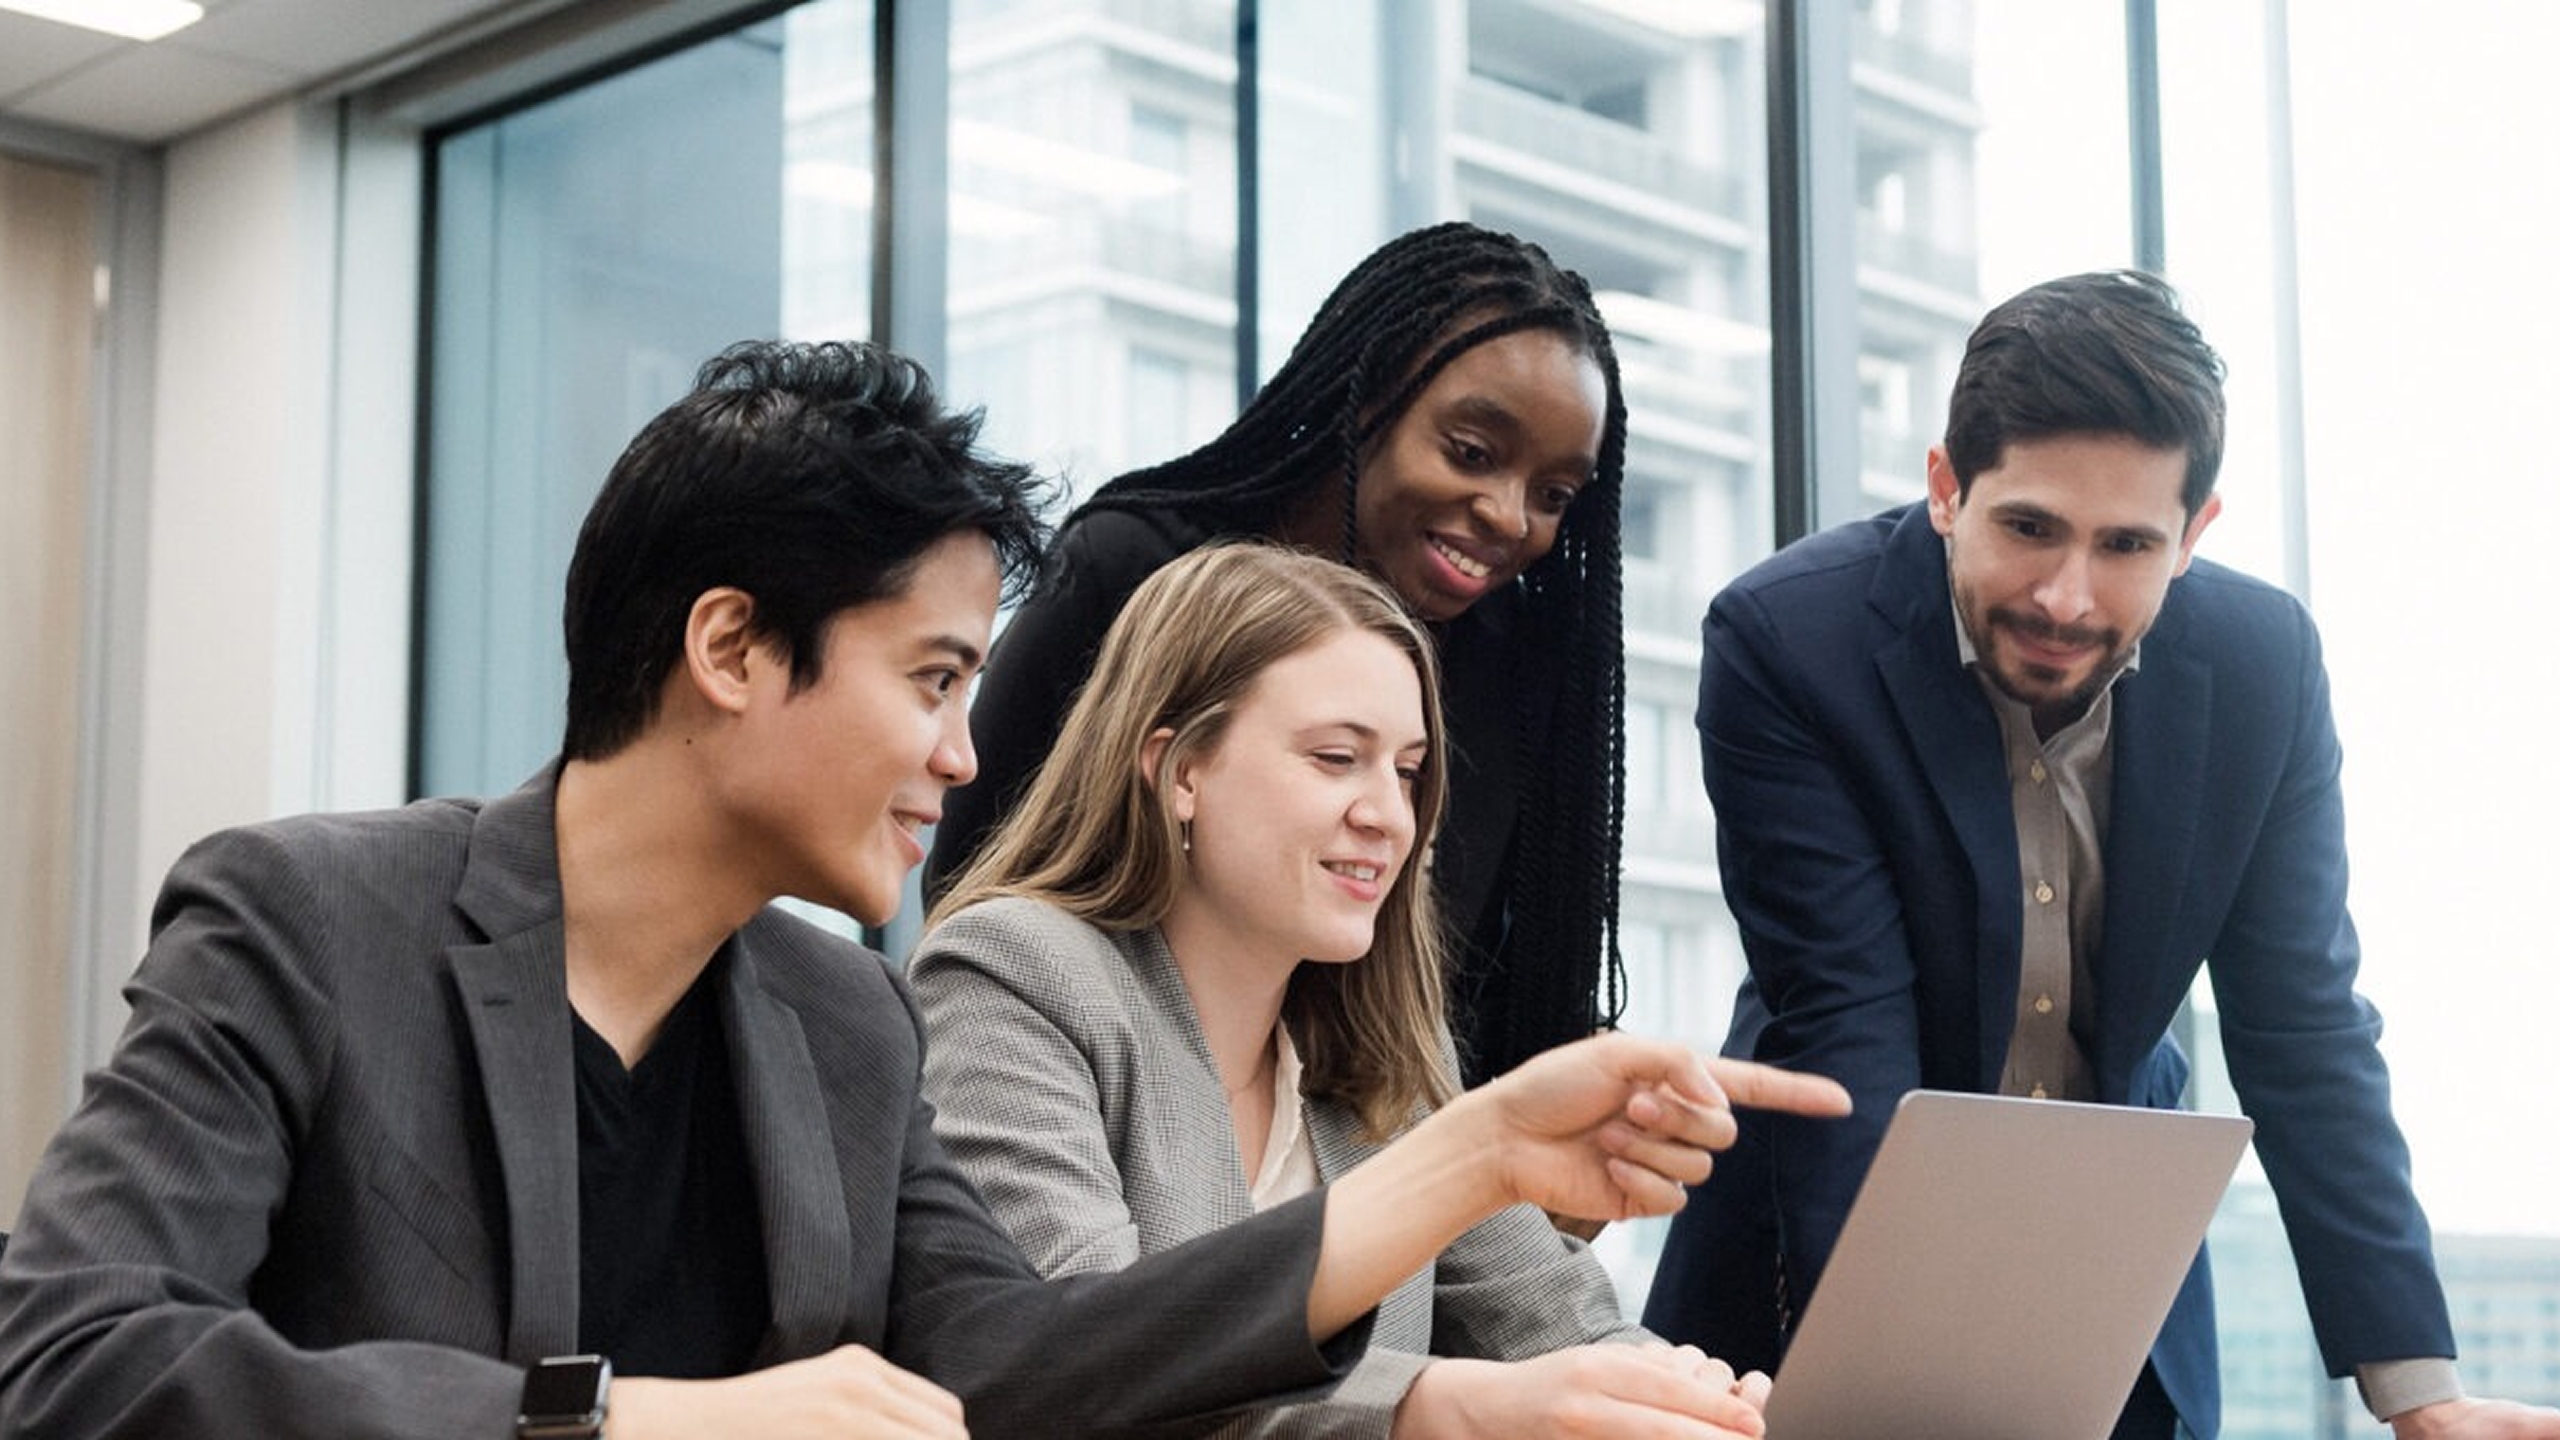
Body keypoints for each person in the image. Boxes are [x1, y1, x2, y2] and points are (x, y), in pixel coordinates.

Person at [0, 340, 1783, 1440]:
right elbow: (71, 1360)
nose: (961, 754)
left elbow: (1029, 1371)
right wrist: (619, 1424)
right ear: (730, 649)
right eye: (932, 681)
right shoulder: (305, 923)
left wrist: (1463, 1161)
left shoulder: (842, 1020)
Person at [1638, 272, 2560, 1440]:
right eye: (2028, 527)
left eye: (2126, 544)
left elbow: (2304, 1028)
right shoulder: (1788, 642)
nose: (2066, 596)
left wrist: (2420, 1396)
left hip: (2117, 1308)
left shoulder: (2264, 668)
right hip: (1809, 1292)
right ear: (1943, 489)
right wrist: (1905, 1387)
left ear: (2194, 534)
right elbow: (1844, 1024)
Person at [915, 542, 1853, 1440]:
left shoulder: (1382, 1040)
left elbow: (1555, 1326)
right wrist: (1437, 1407)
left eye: (1406, 772)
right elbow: (1076, 1377)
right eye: (1335, 758)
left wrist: (1692, 1403)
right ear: (1179, 768)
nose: (1387, 816)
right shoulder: (1015, 974)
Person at [925, 220, 1629, 1085]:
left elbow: (1480, 990)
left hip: (1383, 1147)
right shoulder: (1132, 573)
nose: (1510, 517)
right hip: (1101, 1111)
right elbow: (972, 886)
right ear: (1368, 398)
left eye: (1553, 494)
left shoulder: (1511, 661)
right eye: (1471, 454)